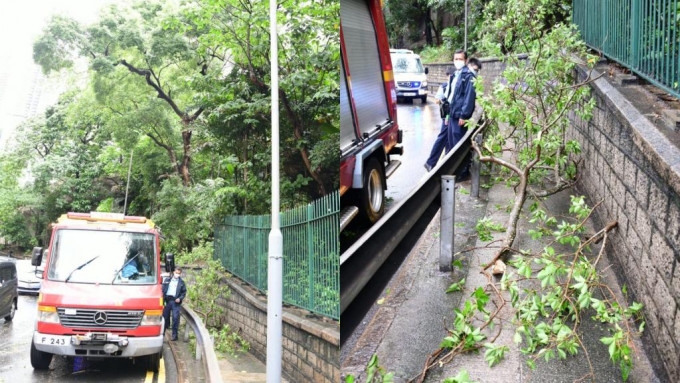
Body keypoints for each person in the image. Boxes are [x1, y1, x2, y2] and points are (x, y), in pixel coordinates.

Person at [424, 66, 456, 171]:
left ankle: (443, 162)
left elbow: (437, 100)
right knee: (443, 137)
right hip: (447, 116)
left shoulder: (450, 85)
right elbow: (437, 100)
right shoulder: (446, 86)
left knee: (447, 139)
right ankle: (431, 162)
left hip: (450, 116)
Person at [162, 267, 187, 341]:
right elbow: (163, 290)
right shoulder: (167, 280)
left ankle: (174, 335)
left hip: (176, 302)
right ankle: (162, 334)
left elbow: (183, 292)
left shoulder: (181, 283)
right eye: (176, 273)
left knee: (175, 318)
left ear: (180, 274)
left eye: (179, 273)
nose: (177, 274)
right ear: (173, 272)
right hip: (167, 301)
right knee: (165, 317)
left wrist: (180, 298)